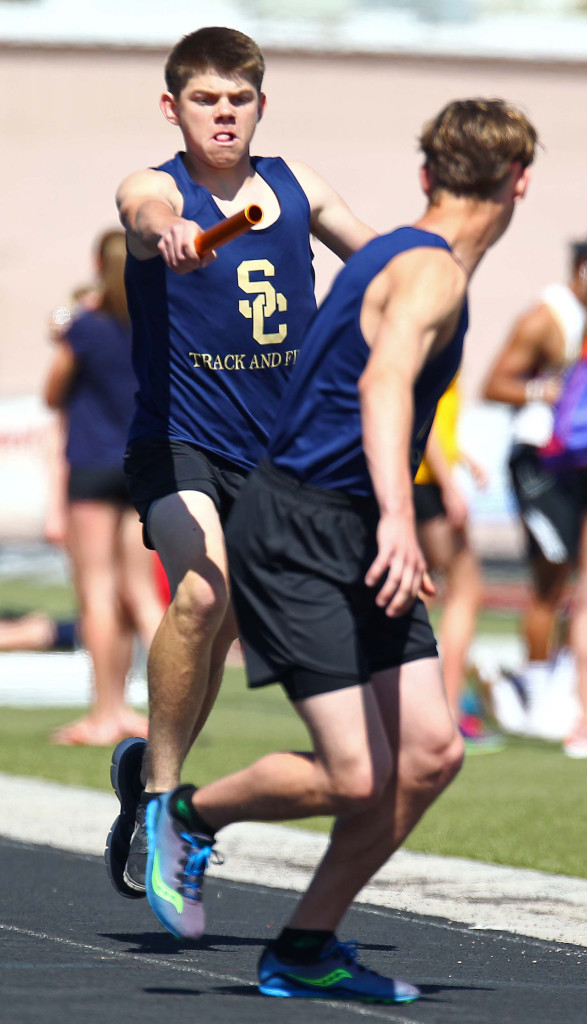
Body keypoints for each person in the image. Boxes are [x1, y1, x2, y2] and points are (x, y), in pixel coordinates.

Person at [144, 98, 536, 1004]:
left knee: (432, 754)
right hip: (304, 531)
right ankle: (186, 815)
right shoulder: (430, 272)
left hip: (348, 529)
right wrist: (403, 516)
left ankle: (304, 945)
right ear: (520, 183)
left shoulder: (392, 253)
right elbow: (386, 383)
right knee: (355, 773)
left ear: (427, 177)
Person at [104, 26, 376, 899]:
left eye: (238, 100)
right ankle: (159, 805)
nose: (222, 115)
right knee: (202, 592)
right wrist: (169, 231)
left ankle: (154, 765)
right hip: (176, 439)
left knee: (216, 635)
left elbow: (376, 259)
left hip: (277, 456)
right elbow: (141, 216)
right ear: (172, 106)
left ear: (260, 103)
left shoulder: (297, 188)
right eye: (205, 100)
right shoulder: (157, 188)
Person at [43, 230, 166, 746]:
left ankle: (105, 713)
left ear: (98, 264)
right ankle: (167, 712)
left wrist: (63, 332)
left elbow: (54, 394)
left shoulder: (88, 328)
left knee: (96, 592)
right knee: (143, 593)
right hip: (141, 463)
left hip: (93, 466)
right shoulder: (157, 322)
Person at [483, 240, 587, 739]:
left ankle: (569, 686)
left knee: (580, 585)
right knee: (550, 578)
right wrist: (546, 389)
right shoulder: (548, 317)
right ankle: (535, 690)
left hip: (580, 462)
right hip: (540, 461)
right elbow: (494, 383)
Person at [412, 377, 502, 752]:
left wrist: (463, 457)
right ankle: (445, 710)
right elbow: (421, 415)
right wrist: (450, 484)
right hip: (427, 480)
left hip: (416, 475)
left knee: (418, 588)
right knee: (464, 589)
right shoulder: (434, 327)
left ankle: (406, 706)